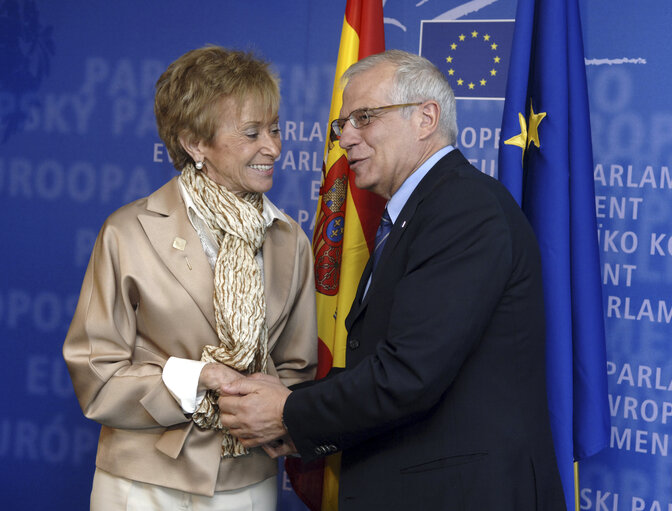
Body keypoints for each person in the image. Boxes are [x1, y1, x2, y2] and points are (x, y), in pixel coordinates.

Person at [218, 49, 566, 510]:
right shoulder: (418, 212)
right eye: (343, 125)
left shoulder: (464, 211)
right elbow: (385, 362)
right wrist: (294, 409)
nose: (346, 139)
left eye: (364, 118)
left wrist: (285, 411)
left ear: (426, 118)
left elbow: (408, 376)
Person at [62, 46, 317, 510]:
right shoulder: (127, 232)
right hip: (143, 484)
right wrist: (198, 378)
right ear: (194, 142)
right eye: (252, 133)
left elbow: (298, 371)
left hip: (248, 483)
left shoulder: (289, 239)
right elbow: (96, 375)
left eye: (275, 130)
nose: (274, 147)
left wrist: (275, 413)